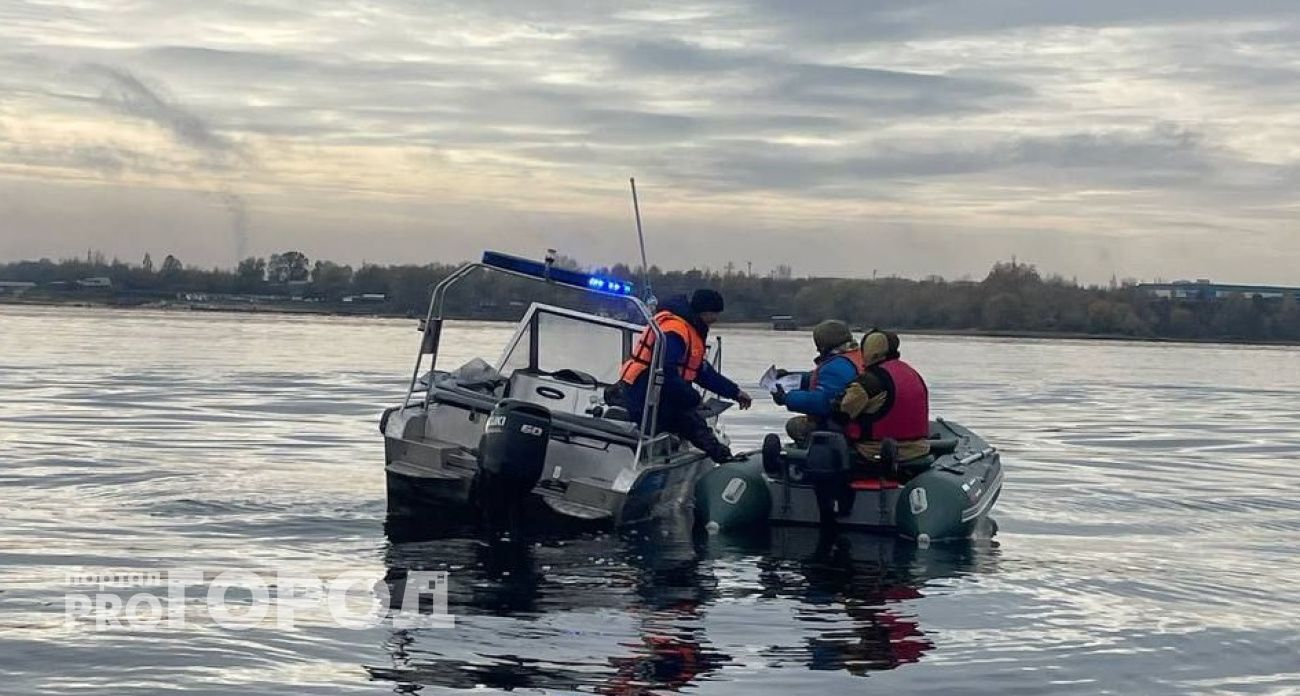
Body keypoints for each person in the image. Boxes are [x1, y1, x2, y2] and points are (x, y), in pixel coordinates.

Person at [616, 289, 753, 463]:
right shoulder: (676, 331)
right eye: (714, 314)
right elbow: (667, 372)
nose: (715, 319)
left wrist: (734, 392)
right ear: (704, 311)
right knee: (691, 423)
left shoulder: (686, 327)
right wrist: (693, 399)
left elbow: (701, 372)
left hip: (645, 387)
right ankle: (724, 457)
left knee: (689, 415)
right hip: (645, 390)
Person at [833, 330, 931, 462]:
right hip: (918, 449)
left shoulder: (870, 380)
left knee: (816, 429)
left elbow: (841, 414)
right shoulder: (912, 373)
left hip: (874, 450)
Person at [772, 320, 865, 445]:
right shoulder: (857, 357)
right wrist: (790, 377)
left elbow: (822, 403)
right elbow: (819, 379)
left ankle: (819, 453)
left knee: (794, 425)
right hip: (863, 422)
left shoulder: (835, 366)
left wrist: (786, 398)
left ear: (823, 345)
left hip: (844, 426)